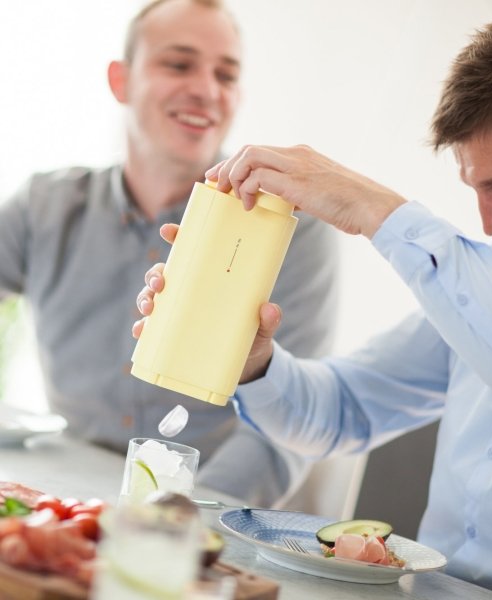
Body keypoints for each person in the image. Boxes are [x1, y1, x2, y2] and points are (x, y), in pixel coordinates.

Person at [135, 10, 492, 600]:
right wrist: (249, 358)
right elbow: (343, 411)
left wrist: (379, 213)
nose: (491, 223)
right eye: (477, 190)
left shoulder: (481, 285)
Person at [0, 0, 340, 507]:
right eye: (178, 64)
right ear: (121, 82)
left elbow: (289, 421)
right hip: (62, 494)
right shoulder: (44, 205)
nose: (206, 89)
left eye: (226, 74)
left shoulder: (290, 229)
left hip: (201, 513)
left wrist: (182, 521)